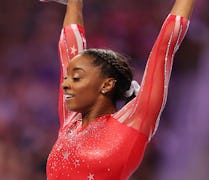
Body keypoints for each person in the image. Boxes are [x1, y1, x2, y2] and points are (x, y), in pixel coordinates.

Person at [41, 0, 195, 179]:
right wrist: (74, 3)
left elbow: (165, 47)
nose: (66, 84)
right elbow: (69, 48)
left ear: (106, 85)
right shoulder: (72, 120)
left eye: (77, 78)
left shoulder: (135, 122)